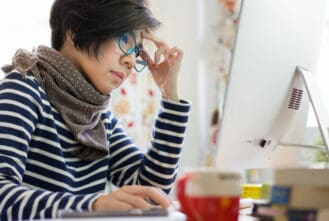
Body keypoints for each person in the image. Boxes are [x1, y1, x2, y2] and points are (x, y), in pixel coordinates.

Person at [0, 0, 190, 220]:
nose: (130, 61)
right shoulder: (22, 90)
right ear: (75, 29)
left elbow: (150, 196)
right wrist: (93, 206)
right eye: (125, 40)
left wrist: (170, 96)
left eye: (137, 52)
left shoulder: (99, 117)